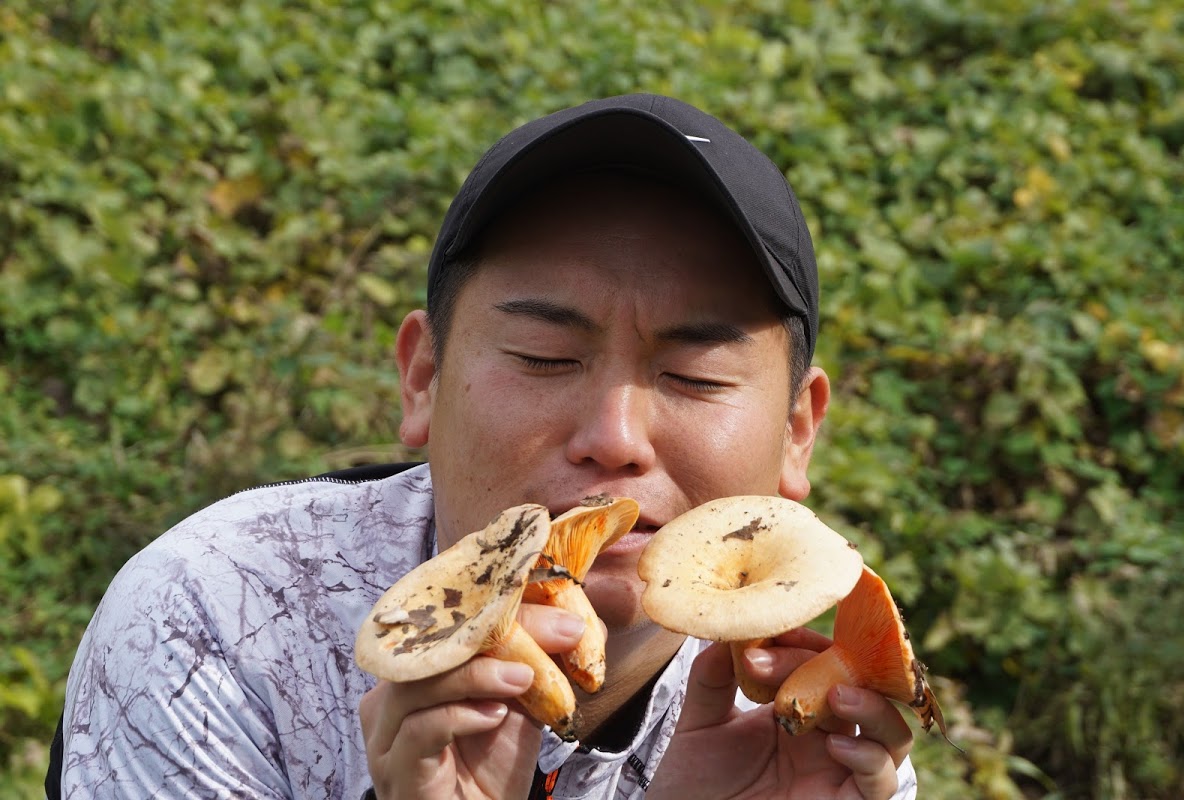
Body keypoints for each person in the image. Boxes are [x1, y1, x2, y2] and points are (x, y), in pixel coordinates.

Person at [54, 95, 919, 799]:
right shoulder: (222, 619)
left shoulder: (814, 730)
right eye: (545, 358)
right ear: (424, 379)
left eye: (694, 375)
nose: (615, 441)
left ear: (797, 432)